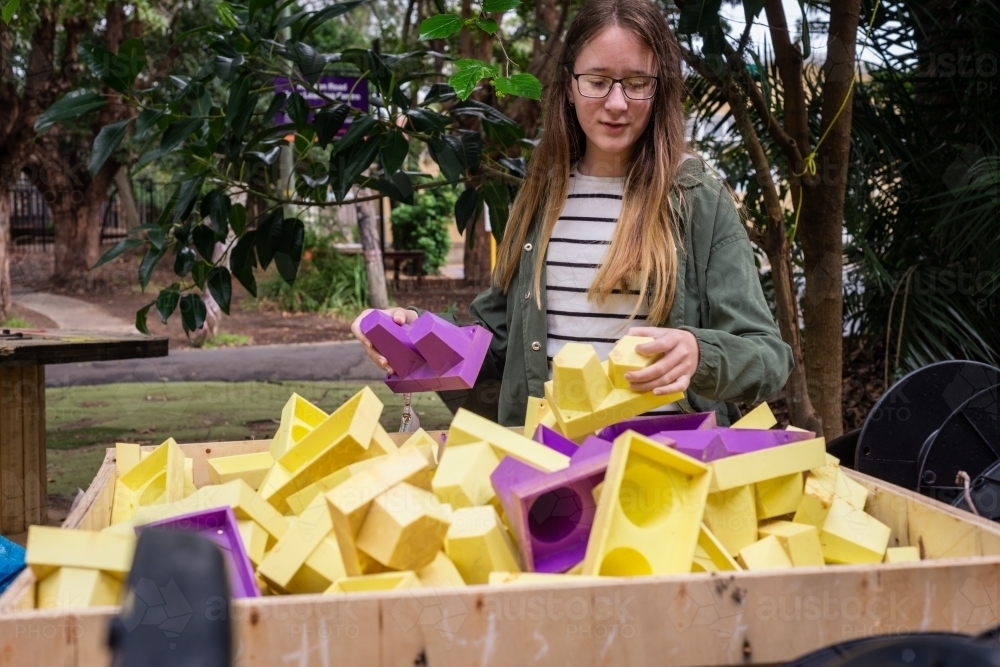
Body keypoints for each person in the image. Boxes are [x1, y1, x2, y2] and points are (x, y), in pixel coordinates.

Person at [352, 0, 793, 427]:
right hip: (551, 469)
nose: (617, 103)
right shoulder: (542, 192)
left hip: (667, 467)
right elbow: (498, 340)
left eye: (637, 83)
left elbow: (769, 358)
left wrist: (700, 353)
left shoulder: (697, 197)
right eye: (597, 81)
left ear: (661, 89)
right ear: (569, 86)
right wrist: (415, 333)